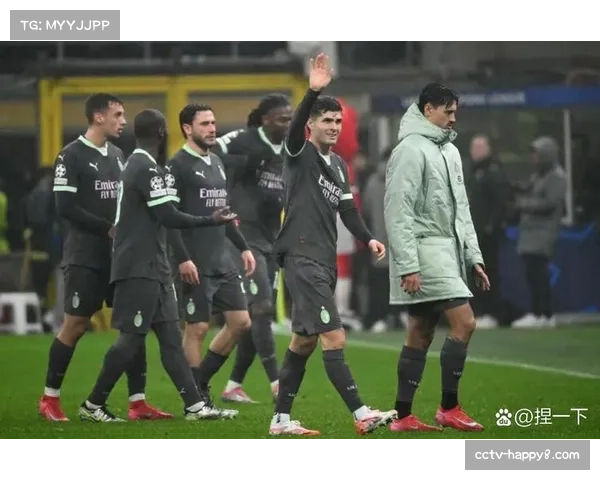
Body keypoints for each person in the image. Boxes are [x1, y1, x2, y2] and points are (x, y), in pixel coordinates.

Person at [78, 108, 237, 422]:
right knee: (130, 339)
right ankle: (93, 404)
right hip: (138, 265)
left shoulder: (145, 165)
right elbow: (168, 216)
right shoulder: (144, 168)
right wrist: (211, 219)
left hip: (156, 264)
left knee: (170, 340)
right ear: (163, 133)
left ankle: (194, 405)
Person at [270, 53, 396, 436]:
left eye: (338, 121)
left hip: (322, 258)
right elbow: (293, 130)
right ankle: (361, 413)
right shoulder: (299, 152)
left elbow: (348, 211)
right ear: (311, 124)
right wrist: (312, 92)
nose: (334, 127)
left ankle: (280, 420)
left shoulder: (339, 165)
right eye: (327, 120)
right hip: (302, 255)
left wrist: (369, 237)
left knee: (303, 343)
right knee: (334, 336)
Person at [39, 94, 170, 422]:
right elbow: (65, 207)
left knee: (132, 326)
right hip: (86, 255)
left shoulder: (118, 155)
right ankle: (50, 398)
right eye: (118, 115)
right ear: (98, 117)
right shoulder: (70, 155)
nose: (123, 121)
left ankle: (137, 402)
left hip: (119, 257)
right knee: (75, 325)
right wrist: (107, 228)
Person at [383, 83, 490, 433]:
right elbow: (398, 211)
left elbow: (462, 210)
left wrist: (474, 257)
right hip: (426, 251)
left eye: (455, 111)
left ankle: (402, 416)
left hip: (448, 252)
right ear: (428, 109)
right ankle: (449, 407)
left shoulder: (450, 151)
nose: (453, 118)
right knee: (465, 322)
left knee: (421, 331)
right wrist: (408, 264)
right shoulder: (409, 150)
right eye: (448, 111)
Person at [167, 103, 255, 419]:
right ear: (187, 128)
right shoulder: (177, 165)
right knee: (198, 327)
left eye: (213, 122)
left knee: (241, 322)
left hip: (222, 259)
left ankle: (198, 385)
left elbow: (223, 212)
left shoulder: (216, 161)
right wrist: (183, 258)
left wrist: (243, 248)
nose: (212, 128)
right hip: (195, 260)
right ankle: (195, 403)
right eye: (204, 123)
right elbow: (169, 218)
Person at [212, 94, 292, 403]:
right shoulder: (243, 140)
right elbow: (208, 153)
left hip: (271, 239)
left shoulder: (290, 147)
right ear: (266, 120)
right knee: (261, 307)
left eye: (290, 119)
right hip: (242, 237)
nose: (287, 124)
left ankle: (233, 385)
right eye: (282, 119)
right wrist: (238, 168)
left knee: (256, 314)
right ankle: (277, 382)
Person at [512, 136, 566, 328]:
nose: (533, 157)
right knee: (531, 274)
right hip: (530, 232)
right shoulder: (538, 176)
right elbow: (531, 191)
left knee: (538, 274)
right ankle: (538, 312)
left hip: (543, 232)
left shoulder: (557, 177)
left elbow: (550, 203)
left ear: (546, 155)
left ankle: (543, 313)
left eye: (536, 153)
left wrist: (524, 205)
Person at [467, 134, 511, 329]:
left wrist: (491, 227)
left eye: (480, 148)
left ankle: (491, 312)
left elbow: (500, 203)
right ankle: (481, 311)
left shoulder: (493, 173)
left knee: (488, 271)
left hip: (487, 235)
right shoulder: (473, 173)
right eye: (474, 148)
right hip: (475, 233)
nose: (476, 152)